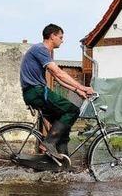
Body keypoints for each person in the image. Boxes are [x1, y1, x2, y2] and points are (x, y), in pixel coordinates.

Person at [20, 24, 95, 164]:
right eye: (60, 37)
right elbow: (58, 73)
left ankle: (62, 165)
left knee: (62, 130)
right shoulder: (41, 49)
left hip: (34, 92)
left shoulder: (41, 52)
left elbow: (57, 79)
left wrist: (77, 91)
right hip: (37, 92)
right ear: (52, 36)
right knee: (72, 110)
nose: (62, 40)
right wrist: (82, 87)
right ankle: (48, 143)